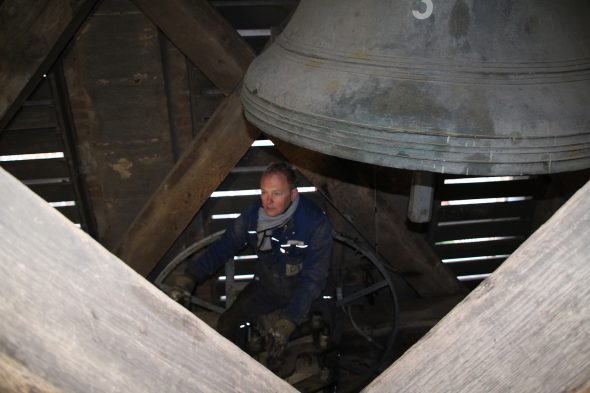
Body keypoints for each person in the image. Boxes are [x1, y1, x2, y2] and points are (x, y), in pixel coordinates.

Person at [170, 162, 333, 357]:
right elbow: (225, 246)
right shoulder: (253, 217)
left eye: (276, 194)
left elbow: (313, 279)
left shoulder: (315, 223)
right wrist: (191, 276)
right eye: (264, 192)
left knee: (328, 337)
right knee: (227, 325)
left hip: (305, 296)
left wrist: (291, 320)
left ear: (293, 194)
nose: (268, 201)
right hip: (266, 288)